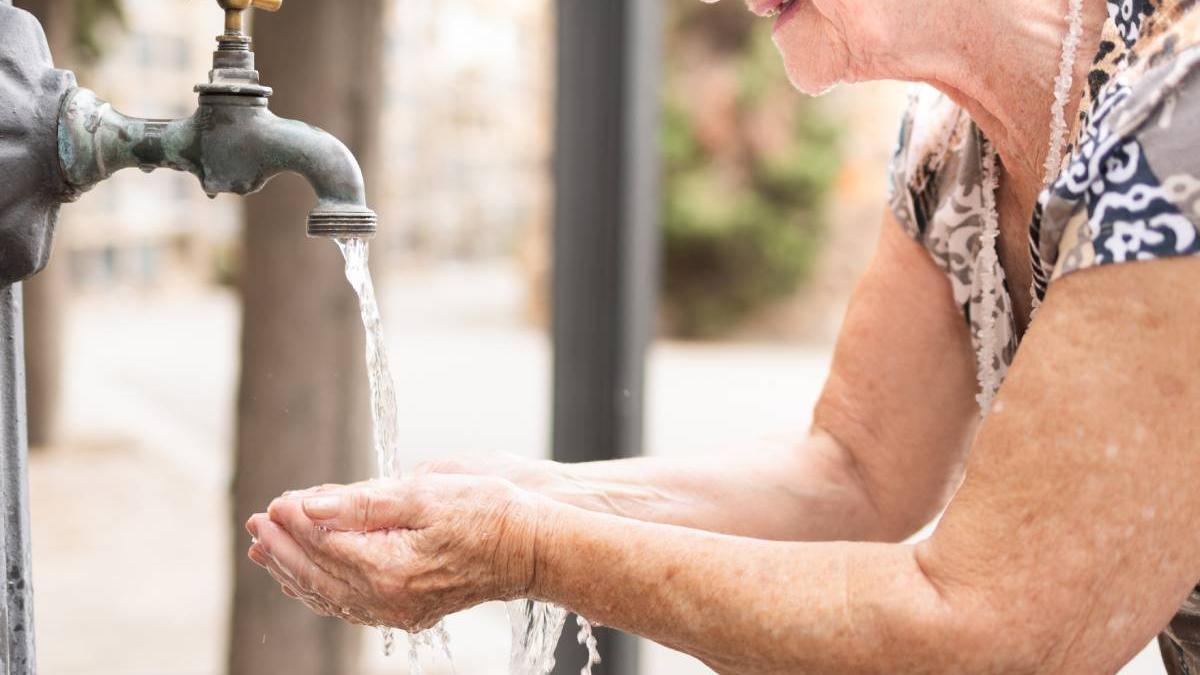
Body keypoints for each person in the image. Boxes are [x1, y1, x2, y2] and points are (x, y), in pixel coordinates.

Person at [245, 0, 1200, 670]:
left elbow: (988, 636)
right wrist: (523, 493)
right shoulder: (953, 154)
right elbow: (850, 474)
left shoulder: (1182, 116)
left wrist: (526, 549)